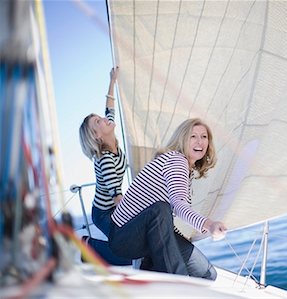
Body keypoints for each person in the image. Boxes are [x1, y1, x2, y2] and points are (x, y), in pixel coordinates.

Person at [109, 118, 227, 280]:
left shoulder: (186, 169)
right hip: (124, 237)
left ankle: (150, 269)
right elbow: (178, 206)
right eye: (193, 136)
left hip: (148, 232)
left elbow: (169, 217)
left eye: (204, 137)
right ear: (182, 139)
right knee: (161, 208)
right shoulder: (176, 160)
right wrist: (210, 224)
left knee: (206, 274)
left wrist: (182, 241)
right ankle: (176, 284)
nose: (199, 141)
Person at [78, 66, 131, 265]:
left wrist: (113, 80)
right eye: (98, 122)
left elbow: (110, 108)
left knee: (131, 244)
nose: (105, 119)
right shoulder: (105, 159)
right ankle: (88, 246)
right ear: (97, 136)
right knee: (127, 256)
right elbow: (116, 194)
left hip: (112, 208)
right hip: (103, 213)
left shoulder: (109, 135)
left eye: (100, 119)